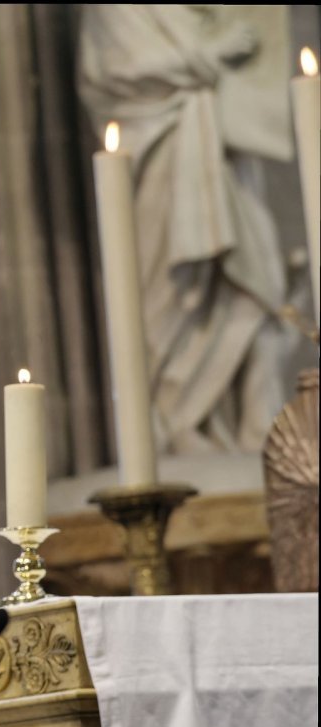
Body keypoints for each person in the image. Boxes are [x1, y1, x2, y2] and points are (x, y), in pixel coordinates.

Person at [77, 5, 292, 455]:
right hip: (160, 154)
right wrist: (208, 53)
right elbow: (119, 68)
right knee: (170, 297)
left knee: (258, 284)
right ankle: (176, 420)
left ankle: (253, 429)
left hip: (224, 150)